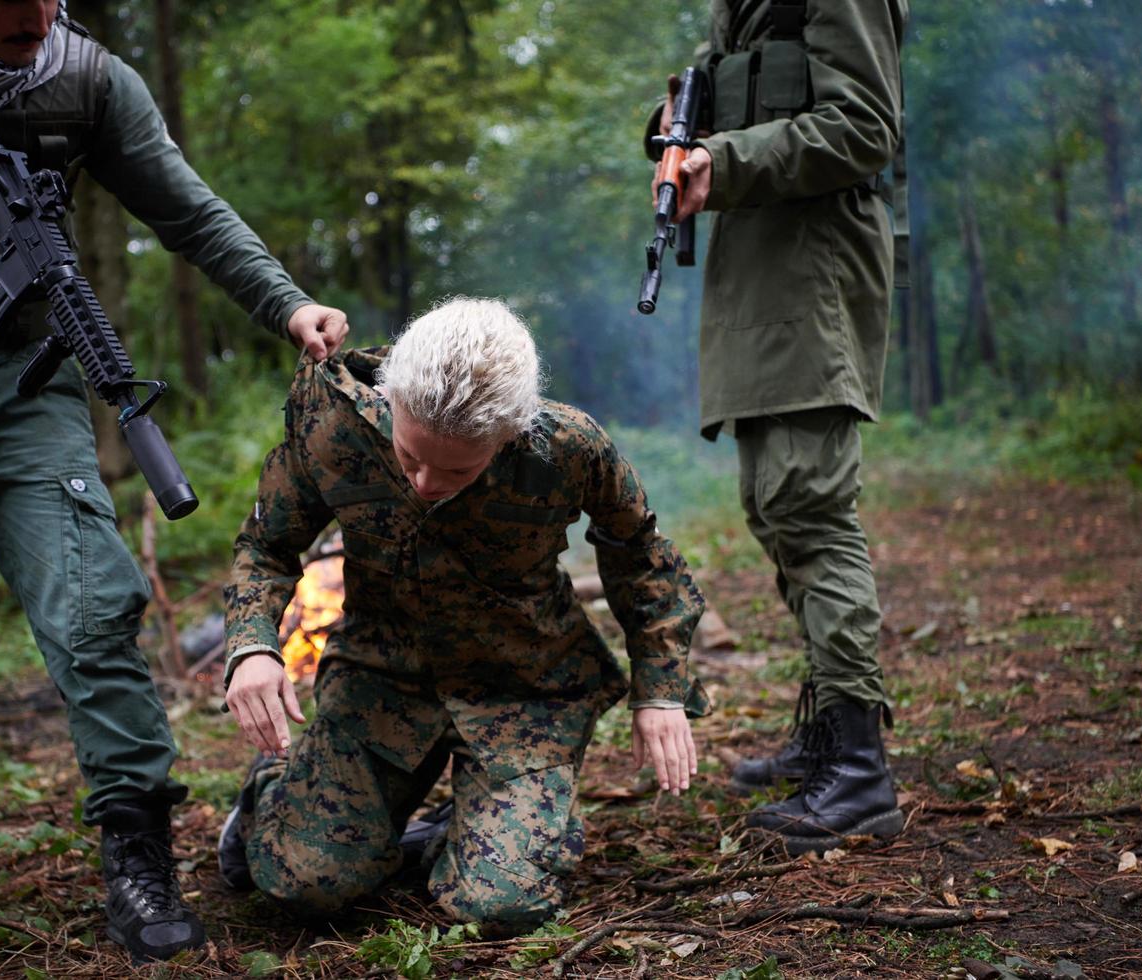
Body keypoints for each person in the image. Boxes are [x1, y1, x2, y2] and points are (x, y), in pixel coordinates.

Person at [0, 0, 348, 960]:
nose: (35, 15)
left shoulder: (87, 79)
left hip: (25, 381)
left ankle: (140, 862)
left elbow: (189, 210)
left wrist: (288, 305)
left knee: (91, 616)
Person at [216, 297, 709, 931]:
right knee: (304, 888)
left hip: (522, 690)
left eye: (456, 469)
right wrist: (254, 646)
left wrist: (661, 692)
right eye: (410, 455)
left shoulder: (566, 448)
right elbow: (267, 543)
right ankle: (274, 790)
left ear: (511, 434)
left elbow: (641, 553)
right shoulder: (334, 426)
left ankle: (485, 826)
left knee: (497, 906)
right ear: (392, 403)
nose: (423, 483)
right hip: (382, 679)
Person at [645, 0, 908, 855]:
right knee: (777, 505)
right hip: (762, 267)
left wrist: (723, 159)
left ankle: (860, 770)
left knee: (809, 504)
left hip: (813, 264)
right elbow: (741, 97)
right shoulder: (746, 8)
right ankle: (833, 733)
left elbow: (866, 125)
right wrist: (676, 129)